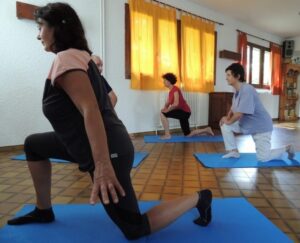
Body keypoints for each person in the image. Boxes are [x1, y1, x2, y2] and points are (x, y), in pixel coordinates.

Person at [7, 3, 213, 240]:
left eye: (41, 26)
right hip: (85, 143)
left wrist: (102, 164)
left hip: (109, 149)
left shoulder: (66, 58)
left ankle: (201, 197)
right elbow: (102, 100)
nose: (38, 34)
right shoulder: (79, 57)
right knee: (34, 144)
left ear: (58, 27)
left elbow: (91, 110)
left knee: (134, 228)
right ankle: (43, 210)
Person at [219, 63, 295, 162]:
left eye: (228, 75)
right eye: (226, 75)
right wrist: (226, 118)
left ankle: (287, 148)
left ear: (237, 76)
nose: (226, 78)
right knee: (224, 124)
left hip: (261, 127)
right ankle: (233, 151)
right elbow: (233, 109)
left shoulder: (247, 89)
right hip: (247, 124)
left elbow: (239, 114)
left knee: (263, 158)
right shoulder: (236, 91)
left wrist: (228, 121)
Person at [160, 73, 214, 139]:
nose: (163, 82)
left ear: (169, 81)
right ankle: (206, 130)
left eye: (164, 80)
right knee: (188, 135)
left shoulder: (175, 89)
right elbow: (167, 103)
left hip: (184, 112)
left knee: (163, 114)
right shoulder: (171, 92)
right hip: (183, 113)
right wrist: (164, 108)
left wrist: (167, 110)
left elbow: (176, 104)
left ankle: (167, 135)